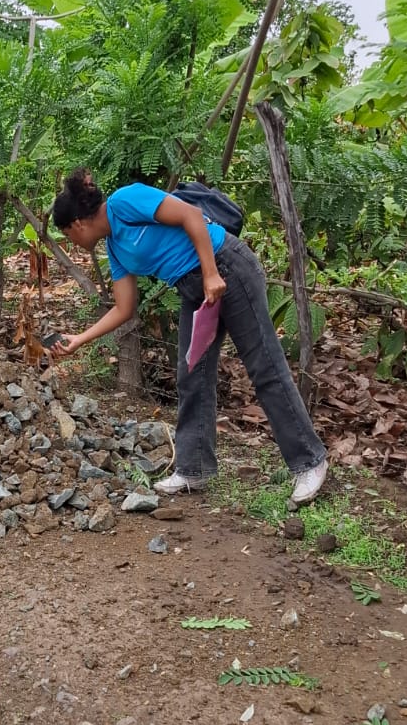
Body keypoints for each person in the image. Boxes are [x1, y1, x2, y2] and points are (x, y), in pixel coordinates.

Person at [50, 169, 327, 503]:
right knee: (192, 374)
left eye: (67, 235)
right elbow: (124, 308)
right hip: (192, 289)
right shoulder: (115, 248)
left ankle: (310, 462)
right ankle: (194, 468)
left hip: (226, 267)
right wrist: (80, 338)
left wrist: (210, 274)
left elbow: (190, 215)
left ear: (77, 224)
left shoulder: (124, 201)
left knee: (263, 365)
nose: (72, 243)